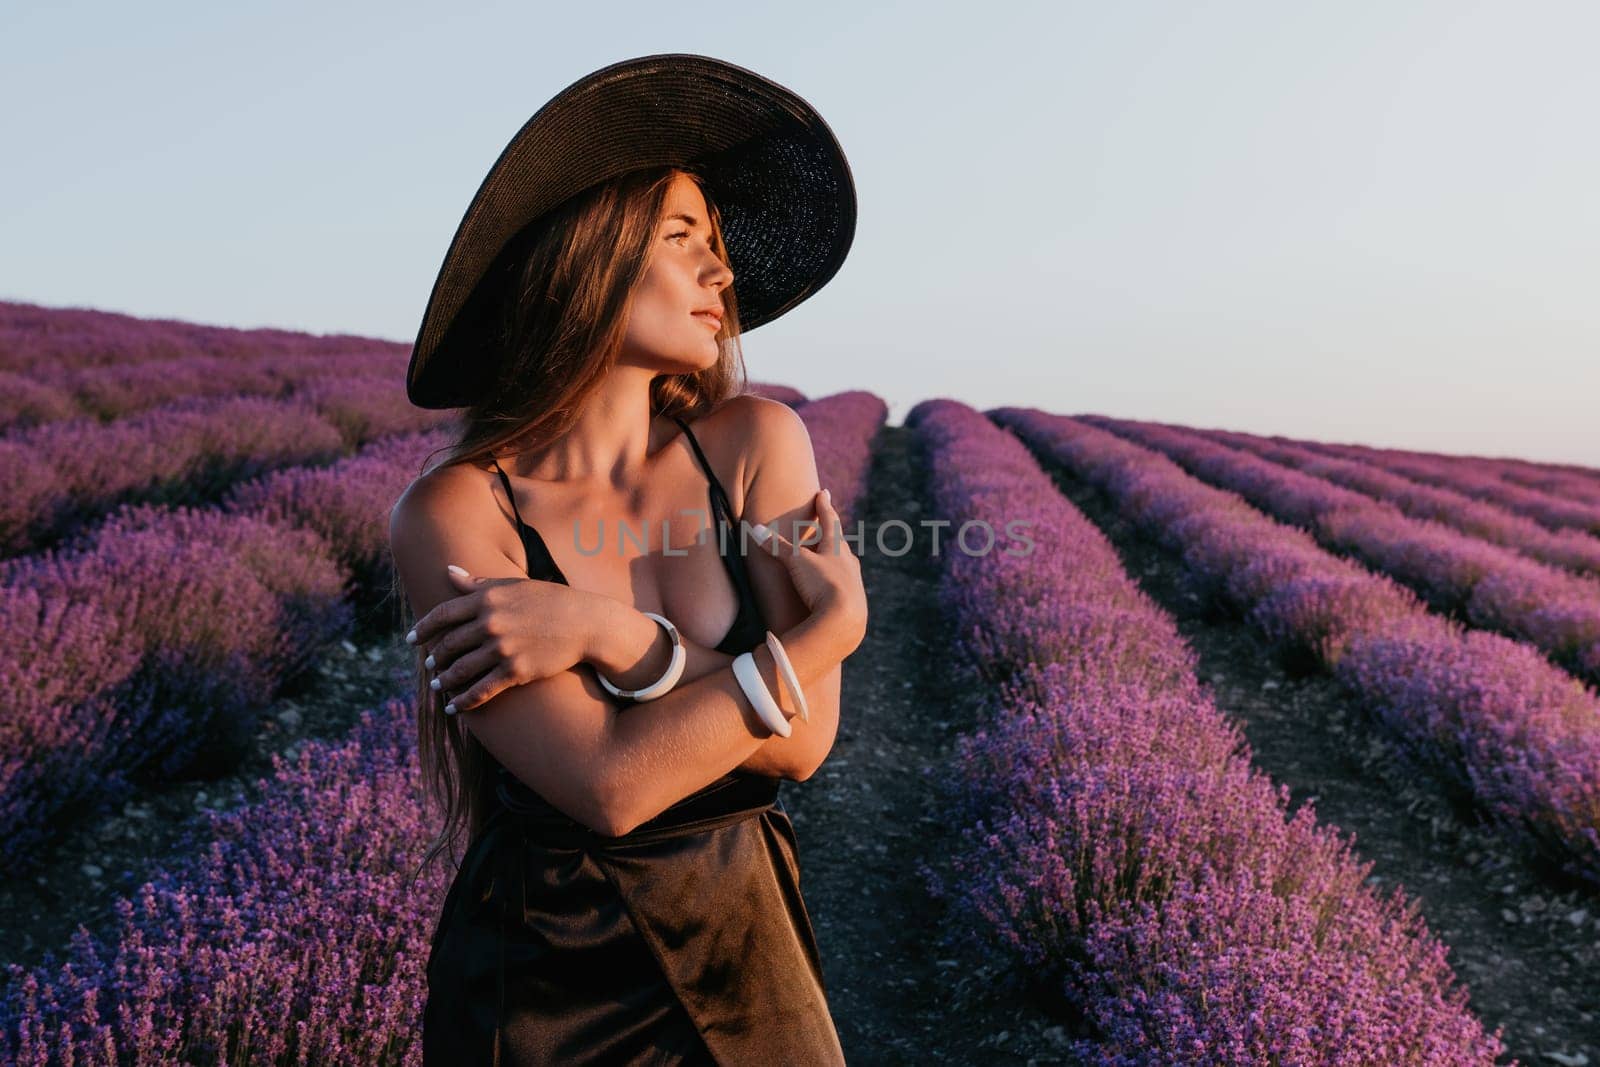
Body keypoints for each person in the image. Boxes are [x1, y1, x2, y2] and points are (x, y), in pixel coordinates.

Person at [386, 54, 865, 1064]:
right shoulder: (457, 509)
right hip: (544, 980)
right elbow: (609, 785)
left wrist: (613, 635)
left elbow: (801, 745)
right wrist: (820, 633)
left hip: (749, 947)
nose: (721, 273)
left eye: (718, 245)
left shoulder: (756, 442)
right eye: (684, 238)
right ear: (587, 257)